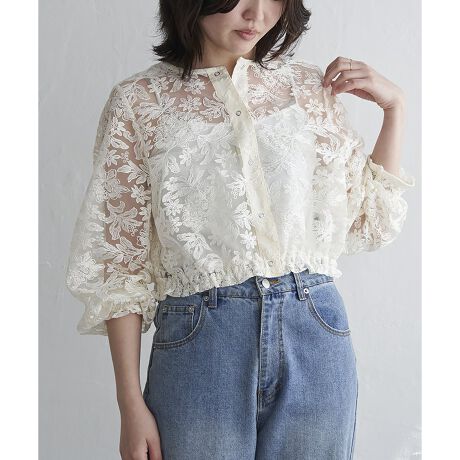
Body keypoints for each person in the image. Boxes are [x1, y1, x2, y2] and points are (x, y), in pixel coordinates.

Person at [65, 0, 416, 458]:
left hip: (315, 329)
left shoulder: (307, 89)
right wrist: (130, 404)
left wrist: (395, 109)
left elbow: (371, 221)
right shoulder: (139, 102)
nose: (256, 14)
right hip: (200, 342)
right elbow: (119, 266)